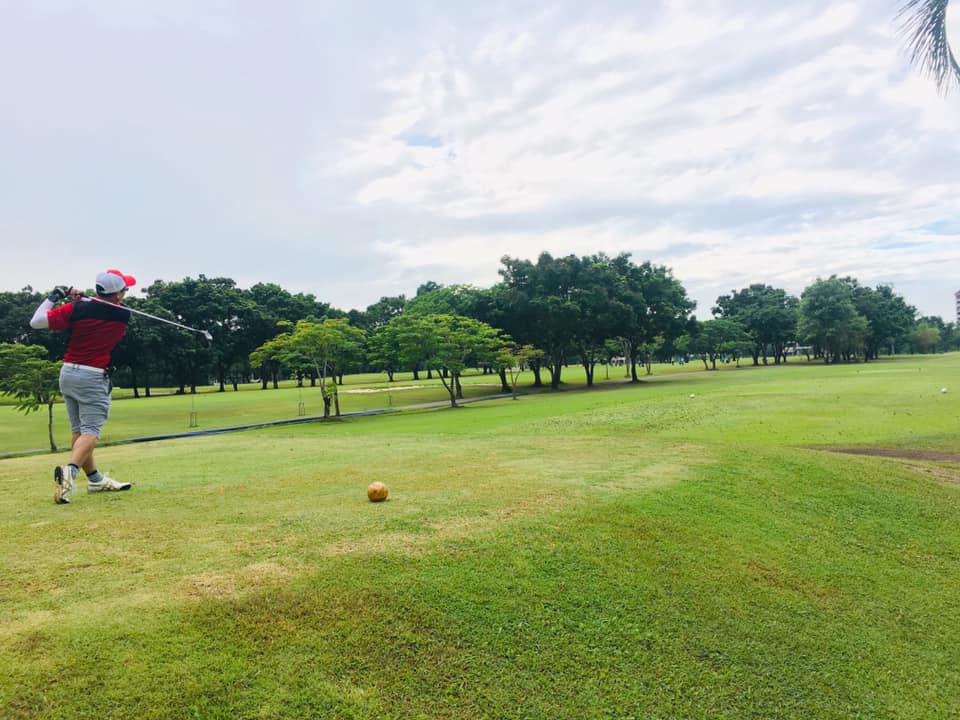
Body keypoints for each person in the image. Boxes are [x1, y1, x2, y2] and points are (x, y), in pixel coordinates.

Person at [30, 269, 137, 504]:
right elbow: (101, 307)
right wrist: (82, 300)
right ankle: (70, 472)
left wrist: (56, 295)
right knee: (91, 432)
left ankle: (96, 480)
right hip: (93, 377)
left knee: (79, 431)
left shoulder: (77, 309)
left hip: (68, 373)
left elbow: (36, 321)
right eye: (124, 290)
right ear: (118, 295)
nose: (125, 293)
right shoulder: (122, 315)